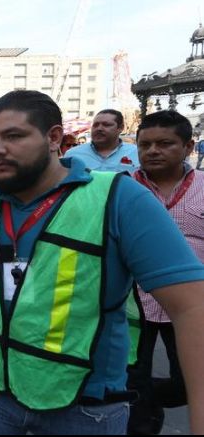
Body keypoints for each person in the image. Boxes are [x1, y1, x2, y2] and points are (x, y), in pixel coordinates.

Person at [0, 90, 204, 434]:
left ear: (54, 137)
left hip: (83, 403)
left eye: (13, 136)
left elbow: (191, 307)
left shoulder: (118, 198)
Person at [128, 110, 204, 434]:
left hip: (190, 307)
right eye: (145, 145)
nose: (153, 151)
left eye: (164, 143)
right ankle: (142, 414)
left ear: (188, 147)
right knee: (132, 377)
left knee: (189, 381)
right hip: (133, 305)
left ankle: (147, 399)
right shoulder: (122, 189)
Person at [64, 108, 139, 173]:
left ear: (120, 128)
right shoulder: (72, 155)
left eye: (106, 125)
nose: (99, 128)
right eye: (95, 125)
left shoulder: (136, 153)